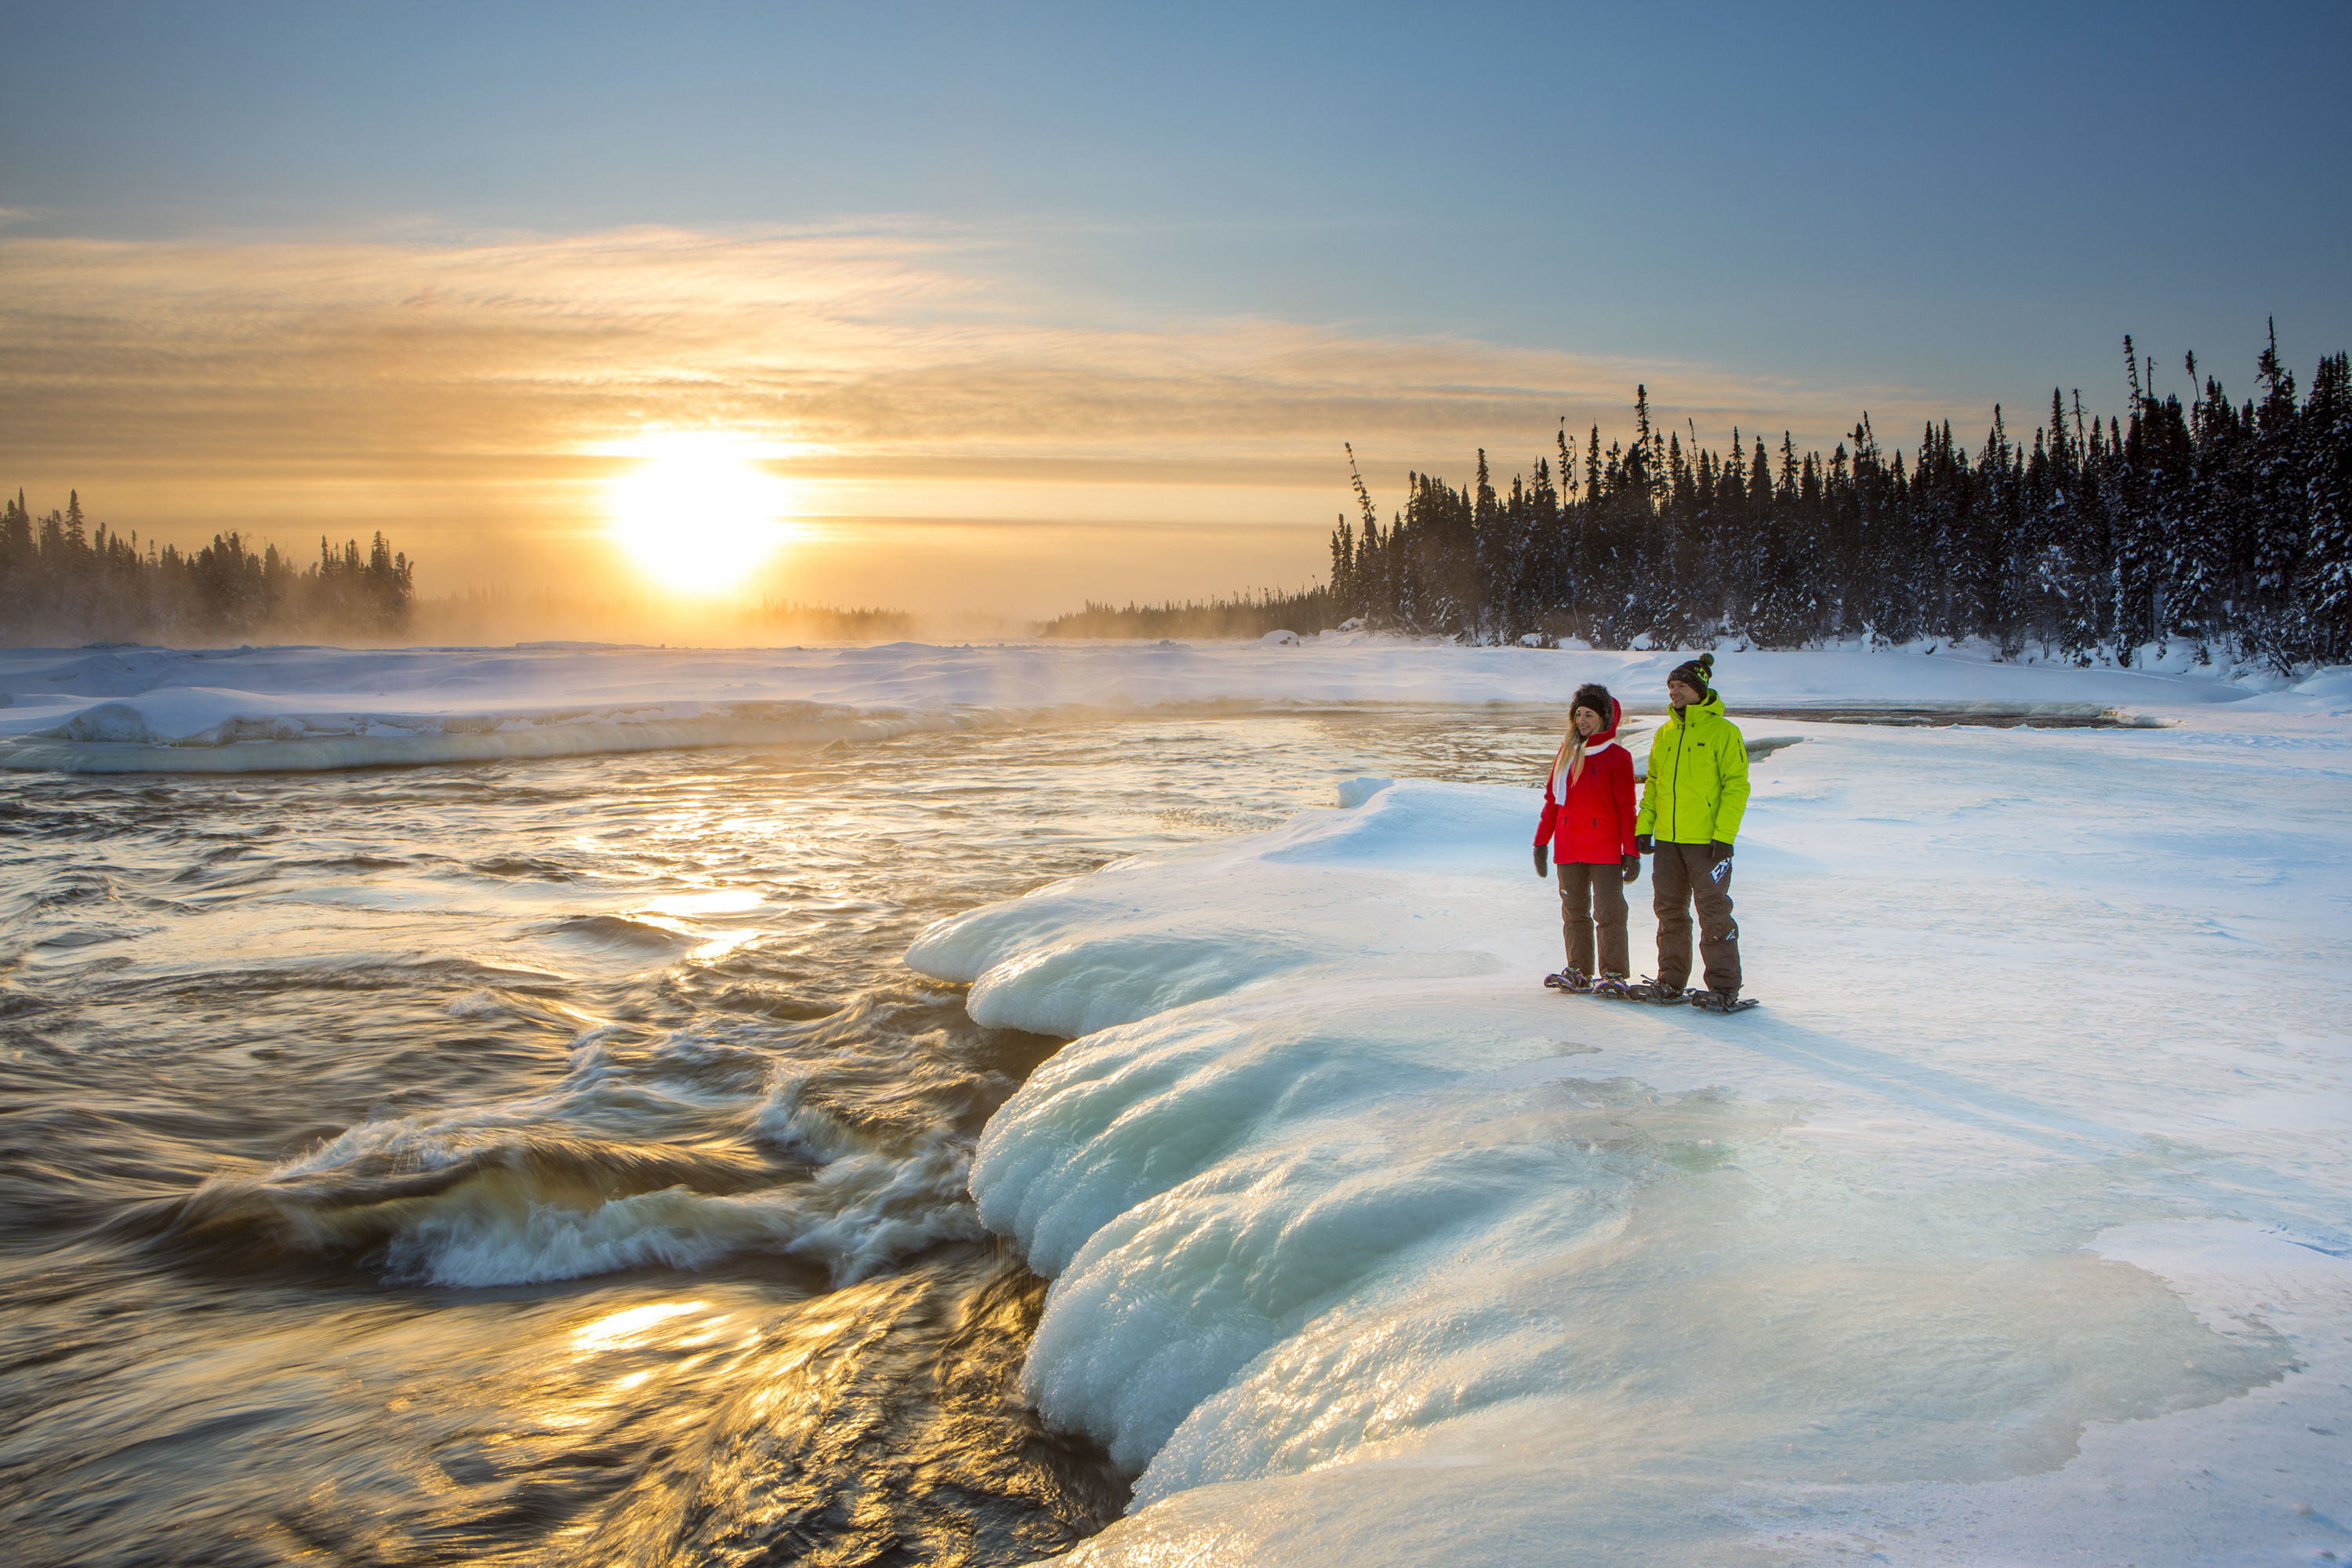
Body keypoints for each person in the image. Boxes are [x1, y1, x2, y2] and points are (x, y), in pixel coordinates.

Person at [1633, 653, 1751, 1011]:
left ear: (1699, 690)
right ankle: (1670, 981)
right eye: (1671, 687)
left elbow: (1736, 786)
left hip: (1707, 844)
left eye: (1681, 686)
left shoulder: (1725, 733)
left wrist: (1724, 835)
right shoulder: (1665, 733)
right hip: (1668, 842)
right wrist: (1644, 827)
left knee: (1713, 912)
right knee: (1669, 911)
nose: (1674, 693)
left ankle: (1724, 986)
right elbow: (1654, 784)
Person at [1532, 683, 1640, 996]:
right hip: (1569, 848)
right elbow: (1553, 802)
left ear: (1604, 718)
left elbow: (1626, 809)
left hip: (1605, 850)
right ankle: (1579, 971)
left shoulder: (1618, 757)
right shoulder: (1565, 753)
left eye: (1589, 715)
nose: (1582, 720)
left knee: (1609, 913)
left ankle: (1614, 974)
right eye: (1578, 714)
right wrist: (1541, 843)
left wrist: (1630, 852)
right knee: (1574, 913)